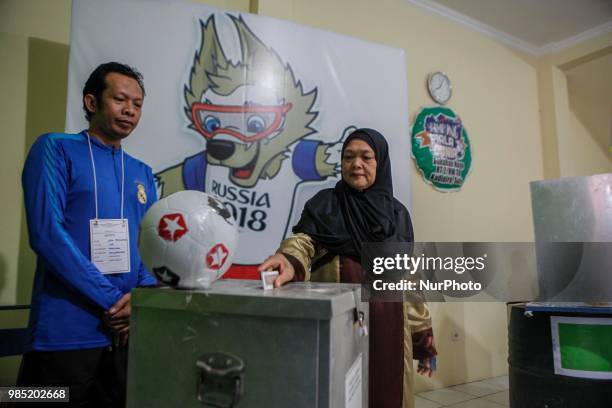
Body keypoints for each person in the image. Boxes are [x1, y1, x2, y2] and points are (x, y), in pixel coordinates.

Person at [258, 128, 437, 408]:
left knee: (388, 394)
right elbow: (305, 242)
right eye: (349, 157)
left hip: (390, 330)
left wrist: (423, 340)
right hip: (340, 327)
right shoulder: (326, 205)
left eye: (366, 157)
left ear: (381, 163)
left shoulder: (398, 215)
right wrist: (288, 259)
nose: (356, 164)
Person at [19, 62, 157, 406]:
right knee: (32, 400)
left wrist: (138, 302)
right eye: (120, 100)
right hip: (62, 336)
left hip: (123, 336)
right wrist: (113, 300)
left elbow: (148, 250)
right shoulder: (54, 147)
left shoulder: (142, 172)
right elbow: (47, 236)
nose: (129, 111)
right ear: (92, 102)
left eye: (137, 104)